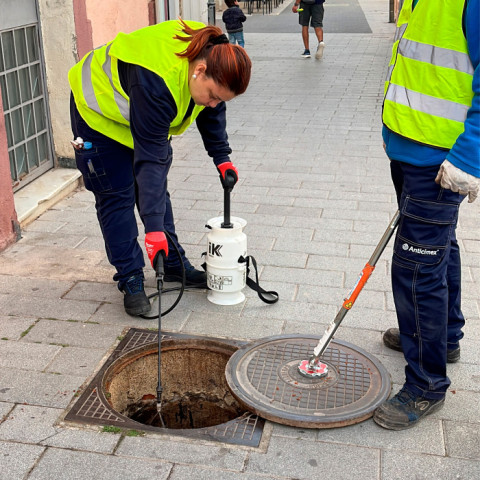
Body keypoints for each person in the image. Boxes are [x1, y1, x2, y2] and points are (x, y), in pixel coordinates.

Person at [68, 19, 252, 317]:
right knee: (118, 196)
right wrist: (153, 229)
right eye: (214, 95)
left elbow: (209, 110)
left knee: (154, 192)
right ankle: (131, 278)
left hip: (138, 111)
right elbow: (150, 160)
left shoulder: (213, 54)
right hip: (98, 116)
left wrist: (222, 157)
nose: (215, 104)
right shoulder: (157, 80)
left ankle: (173, 264)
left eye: (222, 99)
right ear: (200, 70)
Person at [373, 0, 479, 430]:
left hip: (438, 162)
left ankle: (427, 383)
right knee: (438, 251)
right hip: (409, 148)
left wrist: (469, 158)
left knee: (417, 267)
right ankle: (443, 337)